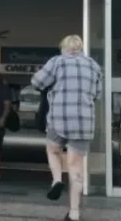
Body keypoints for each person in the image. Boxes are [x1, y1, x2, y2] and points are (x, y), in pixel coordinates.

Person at [31, 35, 103, 221]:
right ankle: (74, 213)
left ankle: (56, 180)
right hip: (84, 121)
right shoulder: (93, 65)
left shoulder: (57, 61)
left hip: (59, 118)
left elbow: (37, 83)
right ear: (80, 48)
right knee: (75, 166)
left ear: (64, 48)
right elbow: (97, 94)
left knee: (53, 150)